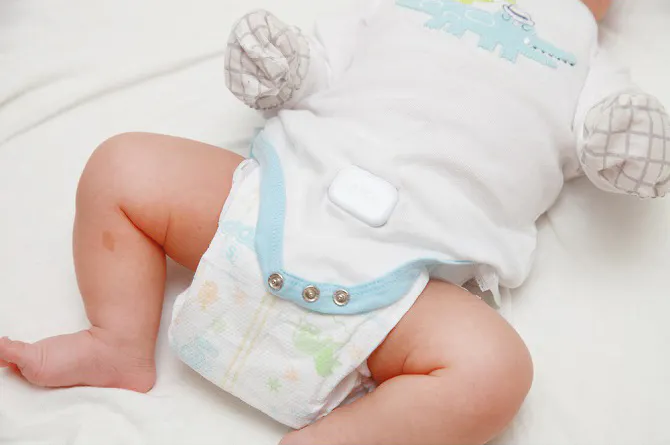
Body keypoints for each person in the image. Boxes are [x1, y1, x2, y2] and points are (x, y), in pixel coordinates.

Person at [2, 0, 668, 444]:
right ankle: (118, 340)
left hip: (410, 281)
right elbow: (319, 66)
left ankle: (340, 436)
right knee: (123, 165)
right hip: (274, 197)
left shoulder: (590, 59)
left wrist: (625, 140)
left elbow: (607, 140)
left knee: (497, 370)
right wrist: (283, 68)